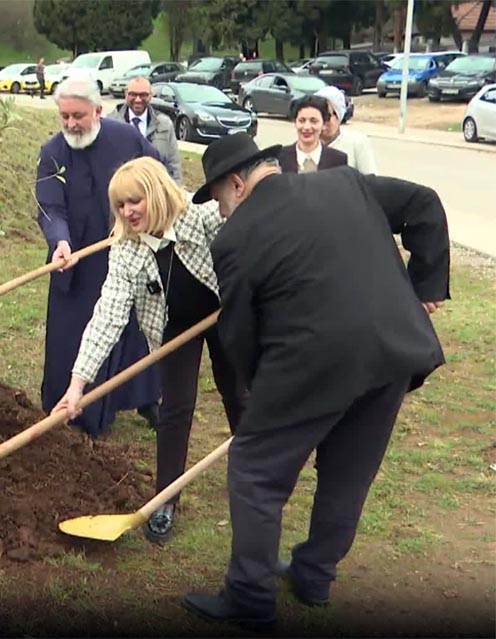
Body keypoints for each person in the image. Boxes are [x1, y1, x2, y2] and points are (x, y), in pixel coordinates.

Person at [181, 133, 449, 629]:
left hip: (312, 364)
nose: (219, 213)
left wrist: (258, 395)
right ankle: (314, 575)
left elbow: (239, 333)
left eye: (218, 200)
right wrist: (426, 286)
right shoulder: (346, 183)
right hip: (392, 352)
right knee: (349, 472)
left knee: (256, 472)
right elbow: (424, 203)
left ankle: (249, 597)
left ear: (237, 184)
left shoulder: (234, 240)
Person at [52, 157, 246, 542]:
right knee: (175, 407)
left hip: (223, 311)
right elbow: (108, 315)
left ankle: (257, 472)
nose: (127, 212)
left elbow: (248, 230)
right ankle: (166, 500)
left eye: (134, 202)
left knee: (238, 393)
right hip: (174, 325)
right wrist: (77, 386)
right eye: (121, 205)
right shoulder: (126, 248)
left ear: (156, 194)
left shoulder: (201, 215)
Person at [36, 76, 163, 436]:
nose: (71, 124)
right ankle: (75, 409)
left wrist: (147, 218)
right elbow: (49, 207)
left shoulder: (126, 139)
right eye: (64, 117)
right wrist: (59, 241)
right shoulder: (52, 152)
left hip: (125, 253)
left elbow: (158, 179)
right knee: (74, 335)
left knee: (134, 332)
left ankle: (144, 399)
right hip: (75, 260)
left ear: (98, 110)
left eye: (78, 116)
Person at [114, 76, 183, 183]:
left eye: (143, 95)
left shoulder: (164, 124)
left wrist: (176, 193)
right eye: (133, 94)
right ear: (126, 94)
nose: (138, 99)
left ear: (151, 96)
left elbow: (174, 164)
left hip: (155, 190)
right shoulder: (111, 123)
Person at [315, 85, 378, 175]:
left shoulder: (358, 142)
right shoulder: (308, 144)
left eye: (328, 116)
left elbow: (370, 180)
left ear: (338, 116)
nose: (324, 123)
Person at [277, 95, 347, 173]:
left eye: (314, 121)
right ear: (295, 122)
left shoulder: (337, 160)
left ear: (323, 124)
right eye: (302, 120)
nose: (307, 127)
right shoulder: (280, 157)